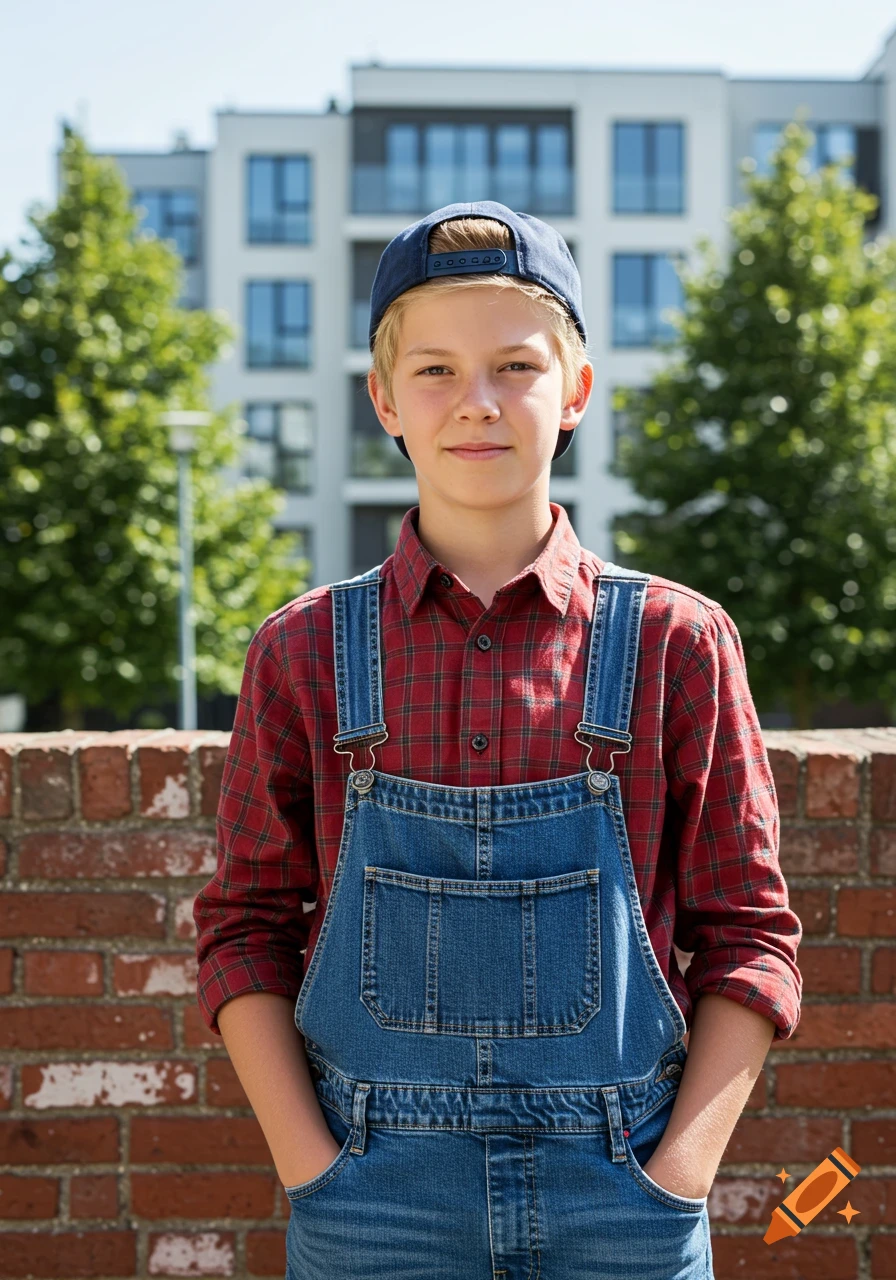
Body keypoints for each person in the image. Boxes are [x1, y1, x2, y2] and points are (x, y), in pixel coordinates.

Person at [193, 200, 803, 1279]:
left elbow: (748, 934)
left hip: (623, 1197)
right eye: (433, 370)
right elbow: (242, 927)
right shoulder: (302, 651)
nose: (474, 402)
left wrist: (677, 1179)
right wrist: (313, 1168)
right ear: (381, 397)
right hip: (371, 1202)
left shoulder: (674, 641)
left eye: (514, 366)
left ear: (573, 388)